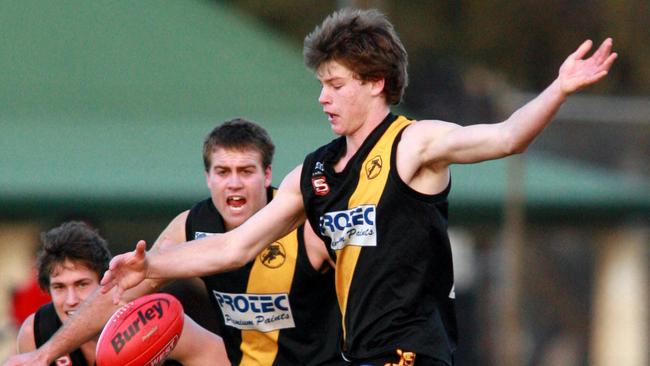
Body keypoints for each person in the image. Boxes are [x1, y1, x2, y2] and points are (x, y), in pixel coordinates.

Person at [101, 8, 617, 366]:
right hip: (360, 353)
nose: (324, 97)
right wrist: (153, 266)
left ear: (375, 83)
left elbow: (506, 137)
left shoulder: (413, 144)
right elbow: (237, 246)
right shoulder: (315, 172)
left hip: (413, 351)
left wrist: (560, 87)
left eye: (336, 84)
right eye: (321, 84)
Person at [4, 120, 340, 366]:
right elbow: (120, 293)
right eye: (223, 172)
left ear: (267, 175)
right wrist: (45, 353)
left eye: (245, 171)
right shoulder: (189, 227)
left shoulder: (307, 227)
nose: (234, 184)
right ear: (208, 178)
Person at [12, 220, 228, 366]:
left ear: (106, 282)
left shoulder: (152, 321)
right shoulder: (37, 331)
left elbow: (226, 360)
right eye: (59, 287)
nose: (71, 300)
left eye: (82, 285)